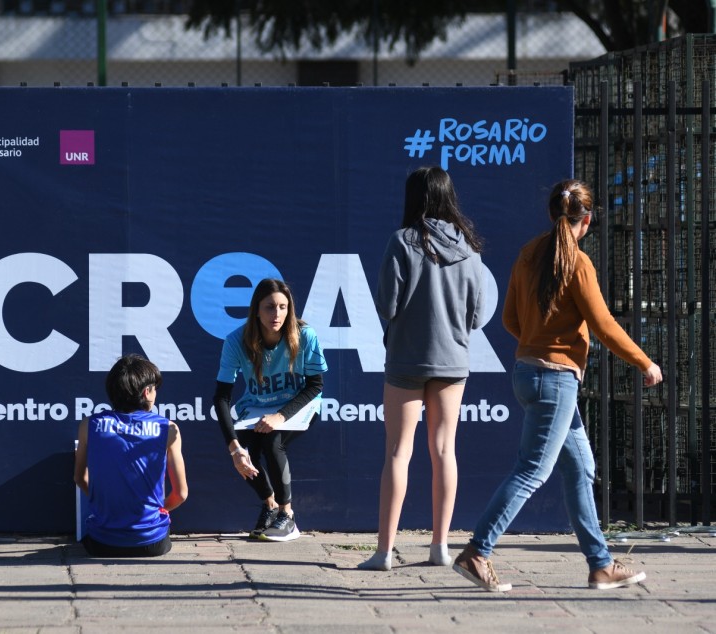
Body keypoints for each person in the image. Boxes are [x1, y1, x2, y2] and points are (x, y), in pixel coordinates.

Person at [453, 179, 663, 592]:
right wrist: (644, 361)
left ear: (553, 215)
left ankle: (601, 565)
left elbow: (511, 320)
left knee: (580, 468)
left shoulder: (529, 254)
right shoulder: (578, 263)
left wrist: (537, 341)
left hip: (528, 375)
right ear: (586, 220)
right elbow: (603, 325)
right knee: (533, 470)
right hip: (556, 380)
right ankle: (477, 551)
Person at [358, 166, 485, 572]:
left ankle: (383, 553)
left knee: (398, 452)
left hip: (406, 359)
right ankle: (440, 548)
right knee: (445, 450)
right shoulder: (469, 248)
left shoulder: (402, 242)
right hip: (453, 360)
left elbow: (386, 305)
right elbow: (478, 316)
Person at [213, 278, 328, 542]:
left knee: (272, 442)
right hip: (256, 407)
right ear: (256, 309)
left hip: (299, 405)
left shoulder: (305, 335)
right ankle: (270, 505)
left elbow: (315, 386)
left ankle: (288, 517)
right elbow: (221, 397)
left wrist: (280, 416)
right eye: (269, 307)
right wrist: (234, 449)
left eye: (282, 307)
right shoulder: (236, 341)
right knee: (247, 451)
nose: (276, 314)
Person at [74, 353, 188, 557]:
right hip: (152, 543)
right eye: (155, 389)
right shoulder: (169, 428)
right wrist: (159, 511)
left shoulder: (88, 425)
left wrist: (103, 503)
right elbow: (180, 494)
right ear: (146, 392)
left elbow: (79, 478)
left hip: (101, 542)